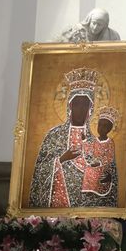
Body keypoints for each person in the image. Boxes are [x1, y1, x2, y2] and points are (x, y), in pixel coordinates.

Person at [29, 68, 101, 208]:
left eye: (85, 105)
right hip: (58, 200)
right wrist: (61, 159)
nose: (81, 109)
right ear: (70, 107)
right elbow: (40, 170)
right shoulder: (54, 135)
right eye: (77, 104)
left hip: (85, 204)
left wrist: (102, 176)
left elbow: (101, 171)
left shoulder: (94, 141)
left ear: (90, 110)